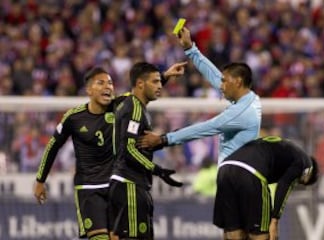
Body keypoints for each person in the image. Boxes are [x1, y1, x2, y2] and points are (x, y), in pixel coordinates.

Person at [33, 63, 186, 240]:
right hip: (89, 188)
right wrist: (40, 180)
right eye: (101, 83)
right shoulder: (73, 117)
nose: (108, 87)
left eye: (110, 83)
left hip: (116, 187)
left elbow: (143, 90)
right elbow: (53, 146)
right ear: (89, 90)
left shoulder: (120, 106)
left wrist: (165, 75)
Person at [137, 27, 262, 165]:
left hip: (237, 175)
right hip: (238, 172)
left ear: (237, 82)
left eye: (225, 81)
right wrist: (191, 49)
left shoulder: (241, 112)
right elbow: (215, 76)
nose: (221, 85)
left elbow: (205, 128)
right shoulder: (248, 98)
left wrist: (163, 139)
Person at [109, 62, 183, 240]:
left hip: (130, 184)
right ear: (140, 84)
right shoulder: (134, 108)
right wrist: (157, 170)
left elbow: (138, 144)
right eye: (155, 82)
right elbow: (129, 148)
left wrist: (165, 75)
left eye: (160, 82)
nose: (159, 86)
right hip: (129, 184)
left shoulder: (134, 104)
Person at [214, 136, 319, 240]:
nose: (297, 183)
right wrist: (274, 220)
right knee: (261, 234)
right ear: (308, 173)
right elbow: (284, 185)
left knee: (233, 233)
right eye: (301, 182)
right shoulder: (305, 163)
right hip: (252, 172)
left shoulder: (285, 148)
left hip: (225, 168)